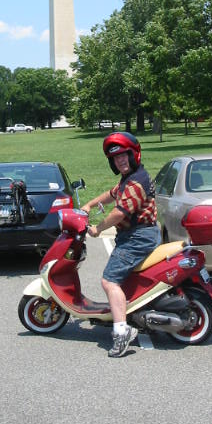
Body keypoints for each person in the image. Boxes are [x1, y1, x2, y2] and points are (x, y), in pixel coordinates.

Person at [81, 132, 161, 357]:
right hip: (138, 234)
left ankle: (121, 331)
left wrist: (97, 229)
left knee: (109, 280)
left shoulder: (136, 183)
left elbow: (118, 213)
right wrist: (89, 204)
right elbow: (112, 194)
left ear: (133, 154)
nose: (120, 161)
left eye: (124, 156)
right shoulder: (130, 179)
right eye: (116, 159)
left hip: (138, 237)